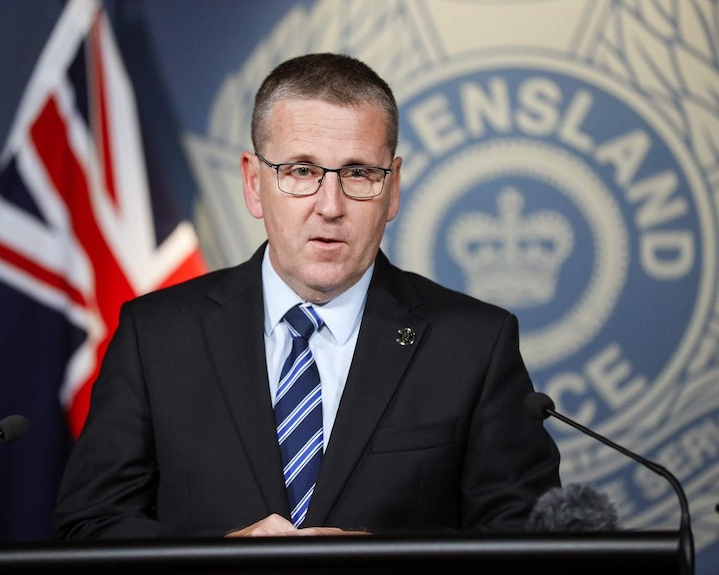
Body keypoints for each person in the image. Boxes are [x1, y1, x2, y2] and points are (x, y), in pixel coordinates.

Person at [52, 53, 560, 539]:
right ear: (254, 183)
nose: (330, 206)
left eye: (359, 172)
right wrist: (221, 555)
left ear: (393, 188)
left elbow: (526, 537)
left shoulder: (472, 343)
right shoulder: (158, 335)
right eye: (301, 171)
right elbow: (89, 525)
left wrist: (383, 560)